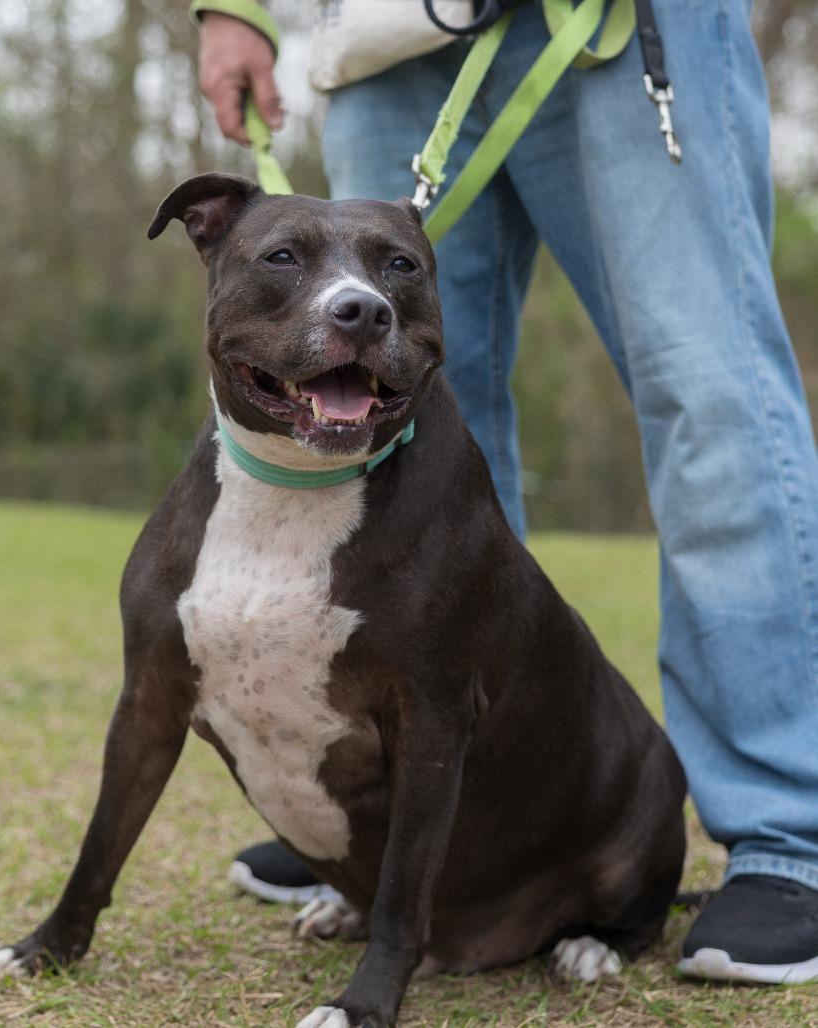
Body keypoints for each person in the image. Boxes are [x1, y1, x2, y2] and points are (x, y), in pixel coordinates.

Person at [194, 0, 818, 984]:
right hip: (384, 37)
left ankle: (784, 835)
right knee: (382, 407)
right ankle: (422, 840)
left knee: (708, 389)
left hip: (621, 29)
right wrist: (232, 9)